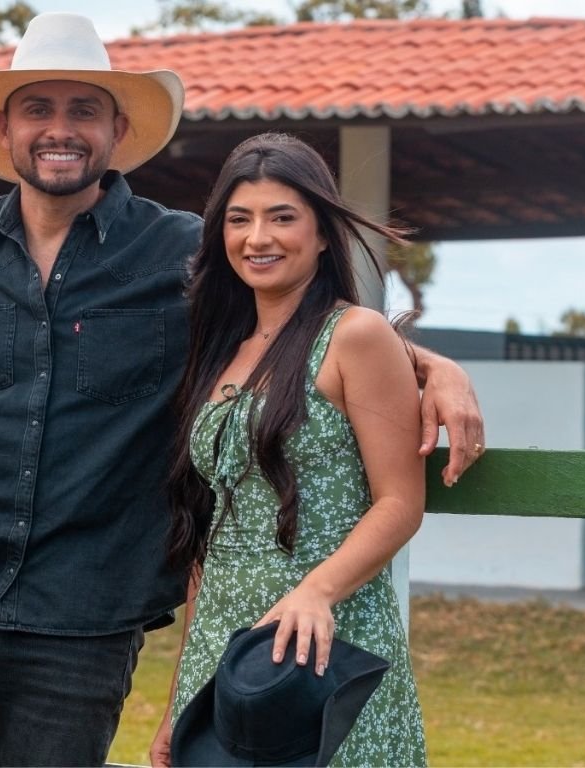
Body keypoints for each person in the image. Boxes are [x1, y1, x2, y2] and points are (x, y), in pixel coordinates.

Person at [0, 13, 480, 767]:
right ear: (4, 126)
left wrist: (429, 365)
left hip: (84, 614)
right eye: (38, 109)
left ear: (116, 129)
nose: (60, 129)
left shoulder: (183, 253)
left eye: (83, 110)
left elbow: (296, 320)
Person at [150, 132, 430, 767]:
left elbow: (399, 502)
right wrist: (178, 701)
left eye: (282, 217)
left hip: (328, 643)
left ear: (323, 232)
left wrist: (317, 591)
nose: (258, 238)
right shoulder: (218, 349)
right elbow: (210, 538)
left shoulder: (355, 335)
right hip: (223, 652)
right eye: (239, 219)